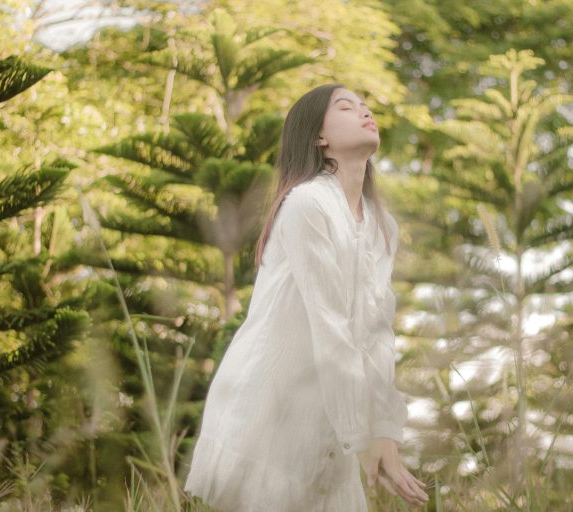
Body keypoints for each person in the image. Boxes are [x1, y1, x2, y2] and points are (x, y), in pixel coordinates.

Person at [182, 83, 430, 511]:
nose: (364, 112)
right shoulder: (307, 205)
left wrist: (385, 432)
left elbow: (376, 334)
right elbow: (330, 325)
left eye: (365, 105)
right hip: (272, 412)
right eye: (346, 107)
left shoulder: (381, 226)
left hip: (329, 421)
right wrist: (363, 436)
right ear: (319, 137)